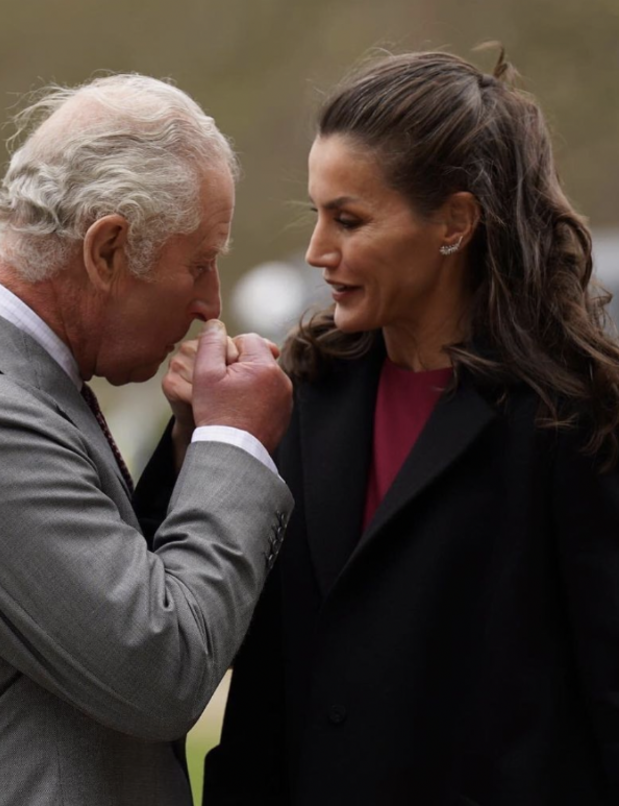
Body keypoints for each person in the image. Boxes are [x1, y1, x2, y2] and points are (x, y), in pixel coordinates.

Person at [0, 75, 294, 806]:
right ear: (108, 249)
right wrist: (235, 444)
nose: (210, 304)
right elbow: (162, 670)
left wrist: (193, 446)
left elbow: (111, 600)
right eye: (199, 263)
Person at [198, 49, 619, 805]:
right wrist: (192, 436)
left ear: (455, 222)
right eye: (316, 215)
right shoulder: (298, 394)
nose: (317, 252)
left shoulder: (572, 416)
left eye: (349, 220)